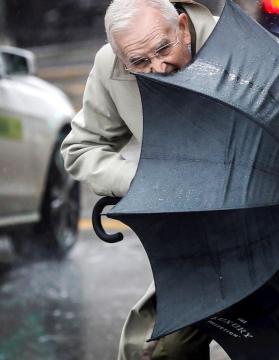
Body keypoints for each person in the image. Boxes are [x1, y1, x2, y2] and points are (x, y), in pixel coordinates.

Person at [61, 0, 215, 359]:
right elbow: (81, 149)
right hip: (198, 245)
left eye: (163, 49)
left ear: (180, 26)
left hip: (272, 228)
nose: (158, 68)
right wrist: (143, 181)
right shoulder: (112, 64)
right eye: (140, 63)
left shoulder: (238, 48)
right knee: (159, 350)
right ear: (122, 60)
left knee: (270, 341)